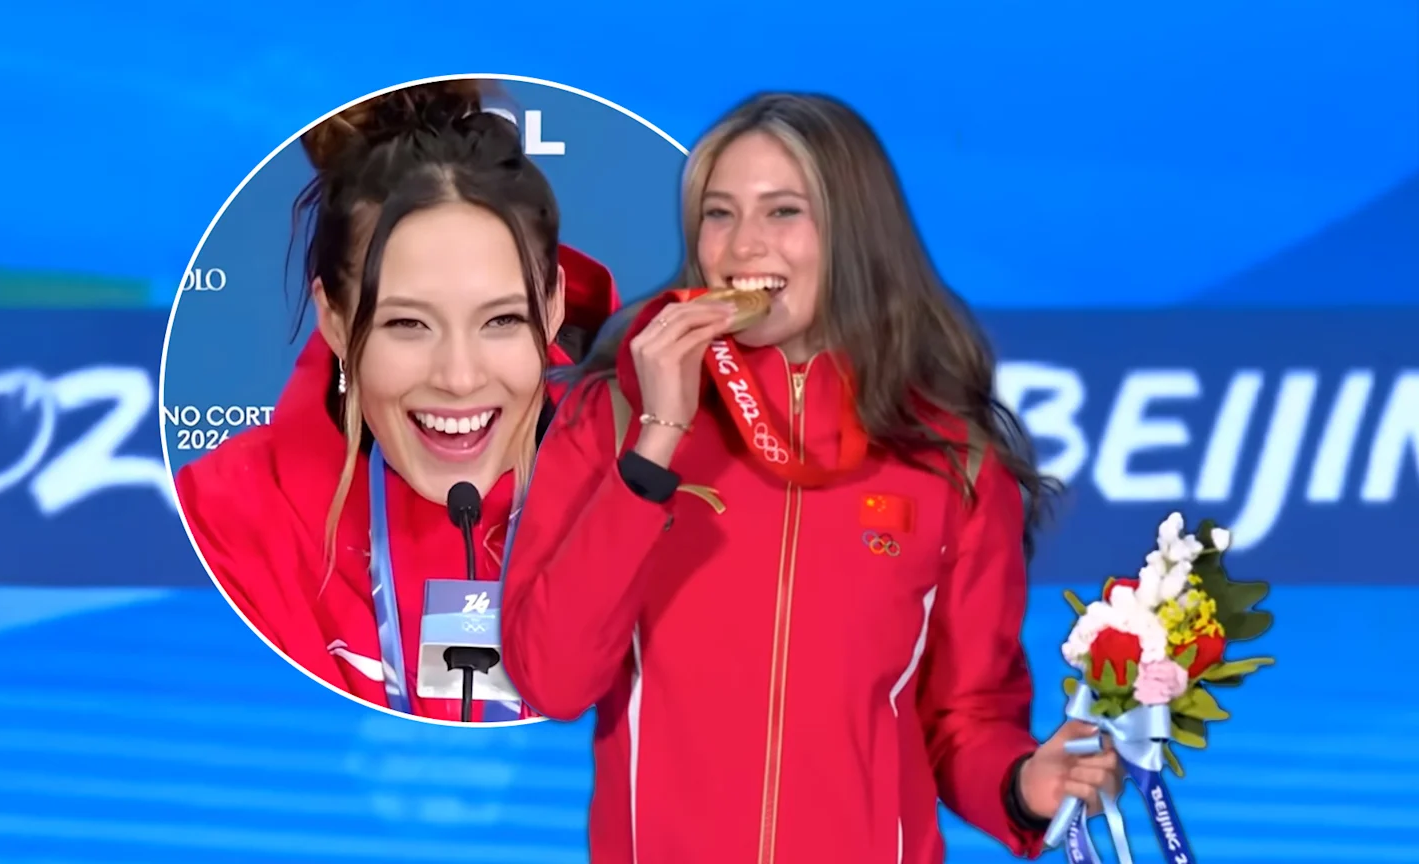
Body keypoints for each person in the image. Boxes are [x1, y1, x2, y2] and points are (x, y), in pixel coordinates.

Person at [500, 92, 1122, 862]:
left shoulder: (950, 459)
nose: (742, 246)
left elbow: (964, 718)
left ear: (854, 233)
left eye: (783, 212)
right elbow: (552, 679)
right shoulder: (613, 419)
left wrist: (1023, 783)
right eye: (719, 214)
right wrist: (657, 440)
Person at [174, 80, 620, 723]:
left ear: (551, 306)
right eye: (408, 324)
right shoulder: (223, 520)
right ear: (334, 319)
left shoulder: (673, 498)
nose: (459, 378)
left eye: (500, 320)